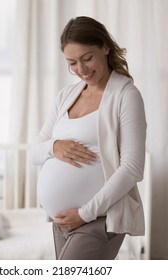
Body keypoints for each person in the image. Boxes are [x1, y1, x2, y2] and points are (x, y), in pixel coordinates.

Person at [30, 16, 147, 260]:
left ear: (105, 47)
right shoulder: (66, 95)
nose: (81, 69)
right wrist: (55, 146)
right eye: (72, 62)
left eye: (87, 58)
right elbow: (34, 151)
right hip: (63, 221)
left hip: (99, 218)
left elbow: (132, 168)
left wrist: (85, 213)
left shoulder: (125, 95)